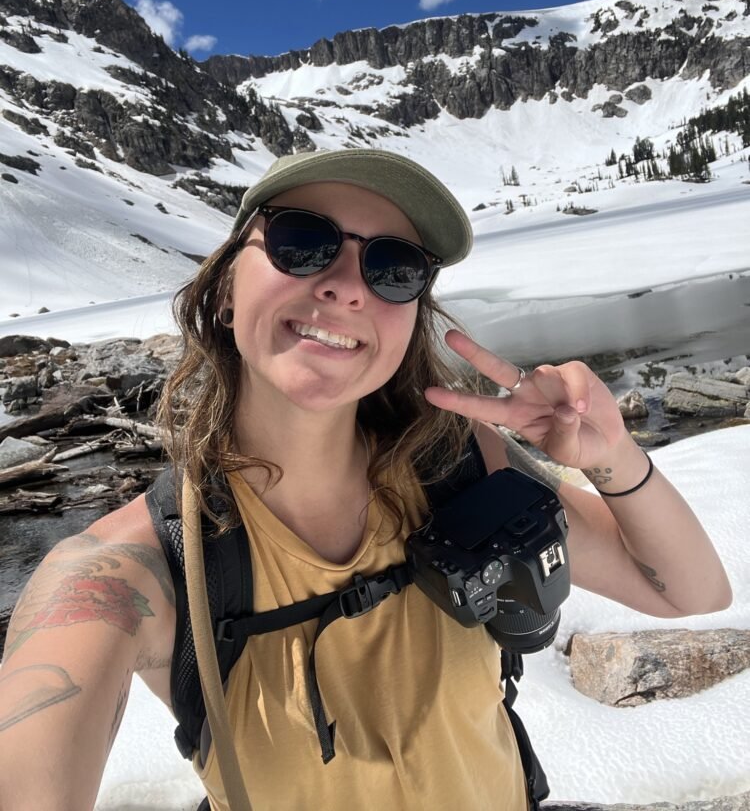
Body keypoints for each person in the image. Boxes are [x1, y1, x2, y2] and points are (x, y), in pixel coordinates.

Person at [0, 148, 732, 811]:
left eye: (394, 267)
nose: (349, 287)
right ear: (224, 288)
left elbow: (689, 591)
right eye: (301, 242)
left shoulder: (461, 465)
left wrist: (612, 457)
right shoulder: (139, 572)